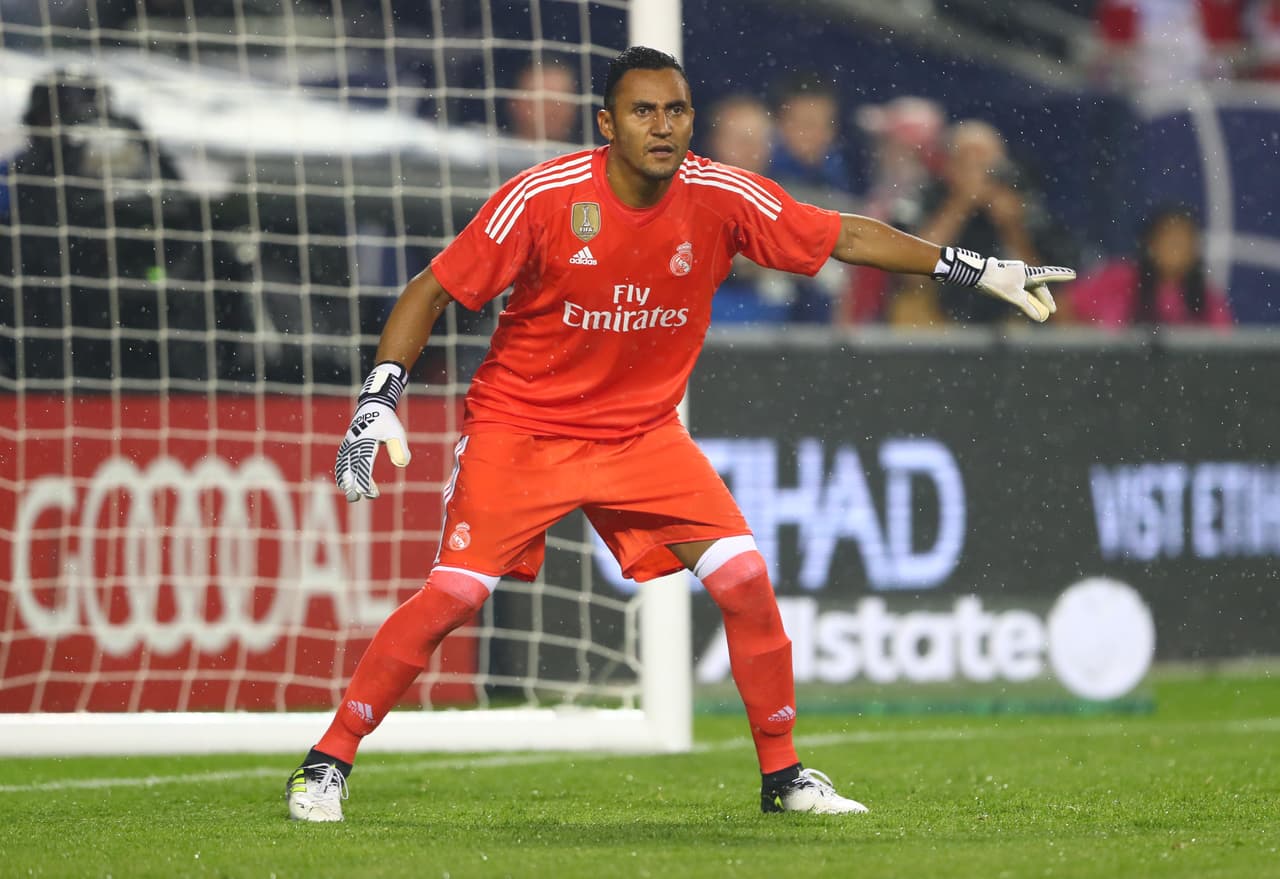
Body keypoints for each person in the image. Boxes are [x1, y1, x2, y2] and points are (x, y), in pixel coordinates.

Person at [285, 46, 1075, 823]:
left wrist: (979, 269)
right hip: (523, 429)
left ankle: (785, 777)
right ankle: (326, 762)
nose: (662, 126)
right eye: (642, 111)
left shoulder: (721, 196)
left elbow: (846, 236)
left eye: (676, 110)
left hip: (640, 437)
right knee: (455, 595)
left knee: (744, 577)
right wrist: (378, 397)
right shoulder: (544, 196)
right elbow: (431, 289)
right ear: (607, 124)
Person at [889, 120, 1056, 327]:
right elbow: (913, 277)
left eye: (987, 166)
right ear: (949, 165)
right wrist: (959, 205)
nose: (979, 175)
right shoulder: (925, 197)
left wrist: (1011, 227)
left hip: (1009, 322)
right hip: (936, 321)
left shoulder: (1021, 201)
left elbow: (1043, 285)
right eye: (968, 164)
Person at [1064, 205, 1233, 328]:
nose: (1176, 249)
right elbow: (1062, 306)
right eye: (1170, 240)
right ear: (1151, 244)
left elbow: (1222, 349)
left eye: (1184, 242)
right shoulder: (1119, 279)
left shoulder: (1207, 299)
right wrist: (1094, 346)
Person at [505, 60, 581, 144]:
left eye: (564, 99)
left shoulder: (588, 149)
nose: (554, 108)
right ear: (515, 104)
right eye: (543, 100)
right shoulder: (495, 147)